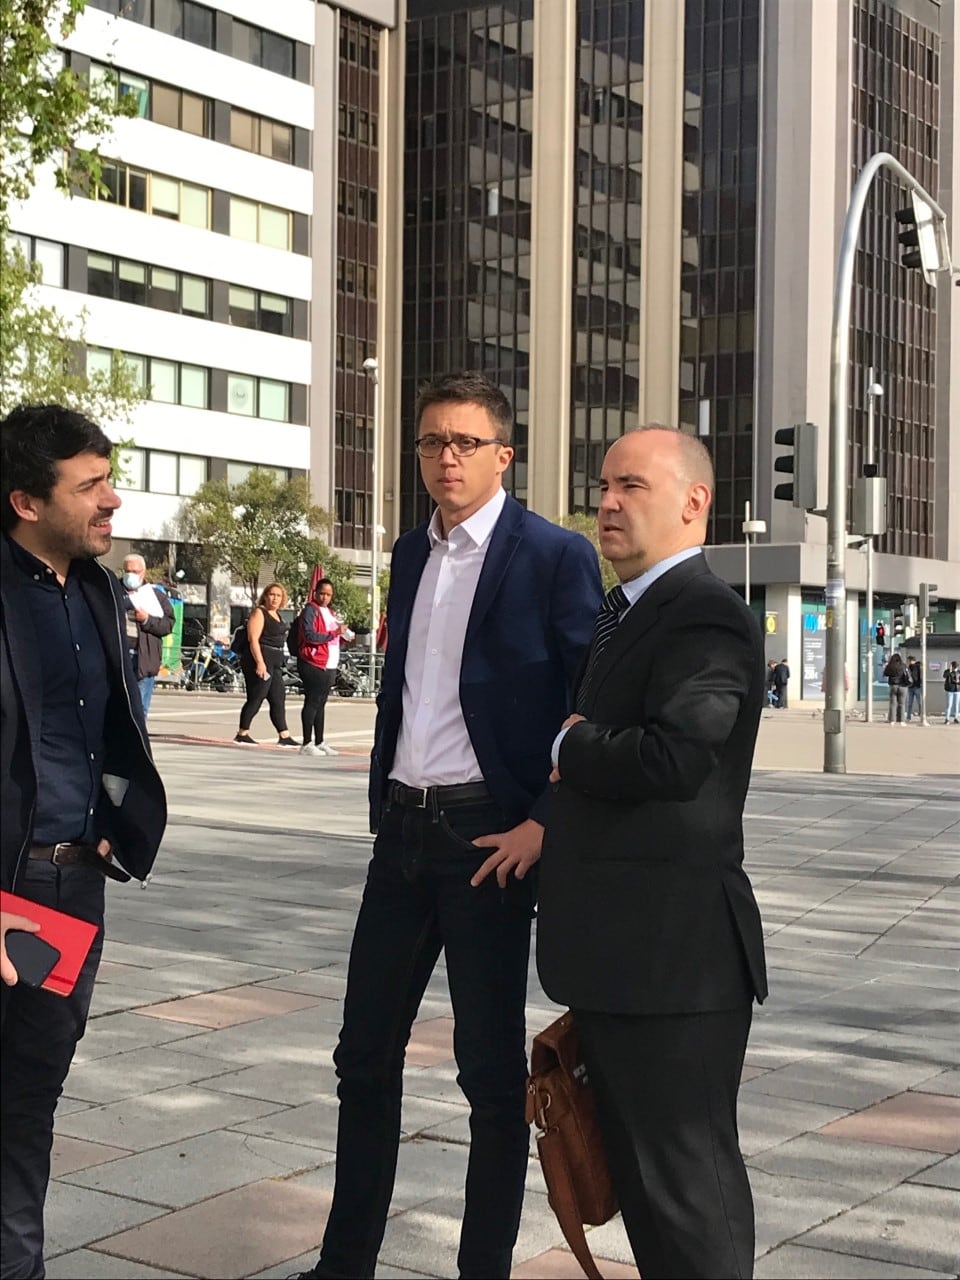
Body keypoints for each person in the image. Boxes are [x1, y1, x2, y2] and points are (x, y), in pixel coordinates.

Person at [291, 372, 602, 1280]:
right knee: (362, 1057)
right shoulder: (408, 552)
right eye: (432, 442)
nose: (447, 457)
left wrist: (543, 821)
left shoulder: (552, 555)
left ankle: (483, 1272)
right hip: (403, 833)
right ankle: (343, 1264)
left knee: (490, 1077)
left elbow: (590, 706)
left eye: (466, 442)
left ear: (504, 454)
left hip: (486, 842)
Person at [537, 425, 767, 1280]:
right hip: (621, 963)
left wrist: (571, 749)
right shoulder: (623, 609)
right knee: (644, 1194)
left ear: (693, 502)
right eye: (604, 484)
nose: (607, 502)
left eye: (632, 485)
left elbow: (679, 754)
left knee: (686, 1194)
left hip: (677, 965)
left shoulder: (705, 612)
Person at [1, 404, 167, 1279]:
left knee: (30, 1103)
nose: (112, 500)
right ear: (27, 502)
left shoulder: (100, 591)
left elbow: (104, 727)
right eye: (91, 485)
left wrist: (110, 827)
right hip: (2, 889)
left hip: (68, 896)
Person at [234, 583, 298, 747]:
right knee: (258, 695)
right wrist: (260, 662)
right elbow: (253, 639)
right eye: (272, 594)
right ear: (266, 596)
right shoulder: (259, 612)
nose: (275, 598)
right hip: (261, 659)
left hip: (275, 662)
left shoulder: (278, 615)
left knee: (278, 696)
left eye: (278, 595)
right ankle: (242, 733)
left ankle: (284, 735)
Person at [297, 578, 353, 757]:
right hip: (314, 662)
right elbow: (310, 635)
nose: (325, 597)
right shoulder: (310, 610)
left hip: (330, 663)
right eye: (322, 593)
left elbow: (332, 637)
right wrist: (335, 632)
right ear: (315, 593)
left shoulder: (330, 612)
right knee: (312, 701)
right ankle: (306, 742)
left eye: (328, 594)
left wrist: (342, 635)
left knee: (321, 703)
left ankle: (319, 741)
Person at [120, 553, 174, 717]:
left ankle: (135, 741)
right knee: (117, 705)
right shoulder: (113, 592)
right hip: (119, 657)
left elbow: (168, 625)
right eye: (127, 571)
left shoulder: (156, 596)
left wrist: (146, 620)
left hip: (145, 658)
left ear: (143, 572)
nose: (131, 575)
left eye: (135, 571)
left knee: (140, 708)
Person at [883, 650, 909, 724]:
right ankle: (902, 720)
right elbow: (907, 674)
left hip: (893, 686)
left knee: (893, 704)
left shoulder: (890, 666)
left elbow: (885, 673)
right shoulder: (903, 665)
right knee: (902, 704)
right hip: (903, 686)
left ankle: (892, 720)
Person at [905, 655, 923, 721]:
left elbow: (920, 675)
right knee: (910, 703)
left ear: (911, 660)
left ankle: (921, 715)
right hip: (910, 687)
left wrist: (920, 683)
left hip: (917, 686)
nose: (908, 662)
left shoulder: (917, 667)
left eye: (909, 660)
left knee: (920, 702)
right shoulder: (908, 667)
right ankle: (908, 716)